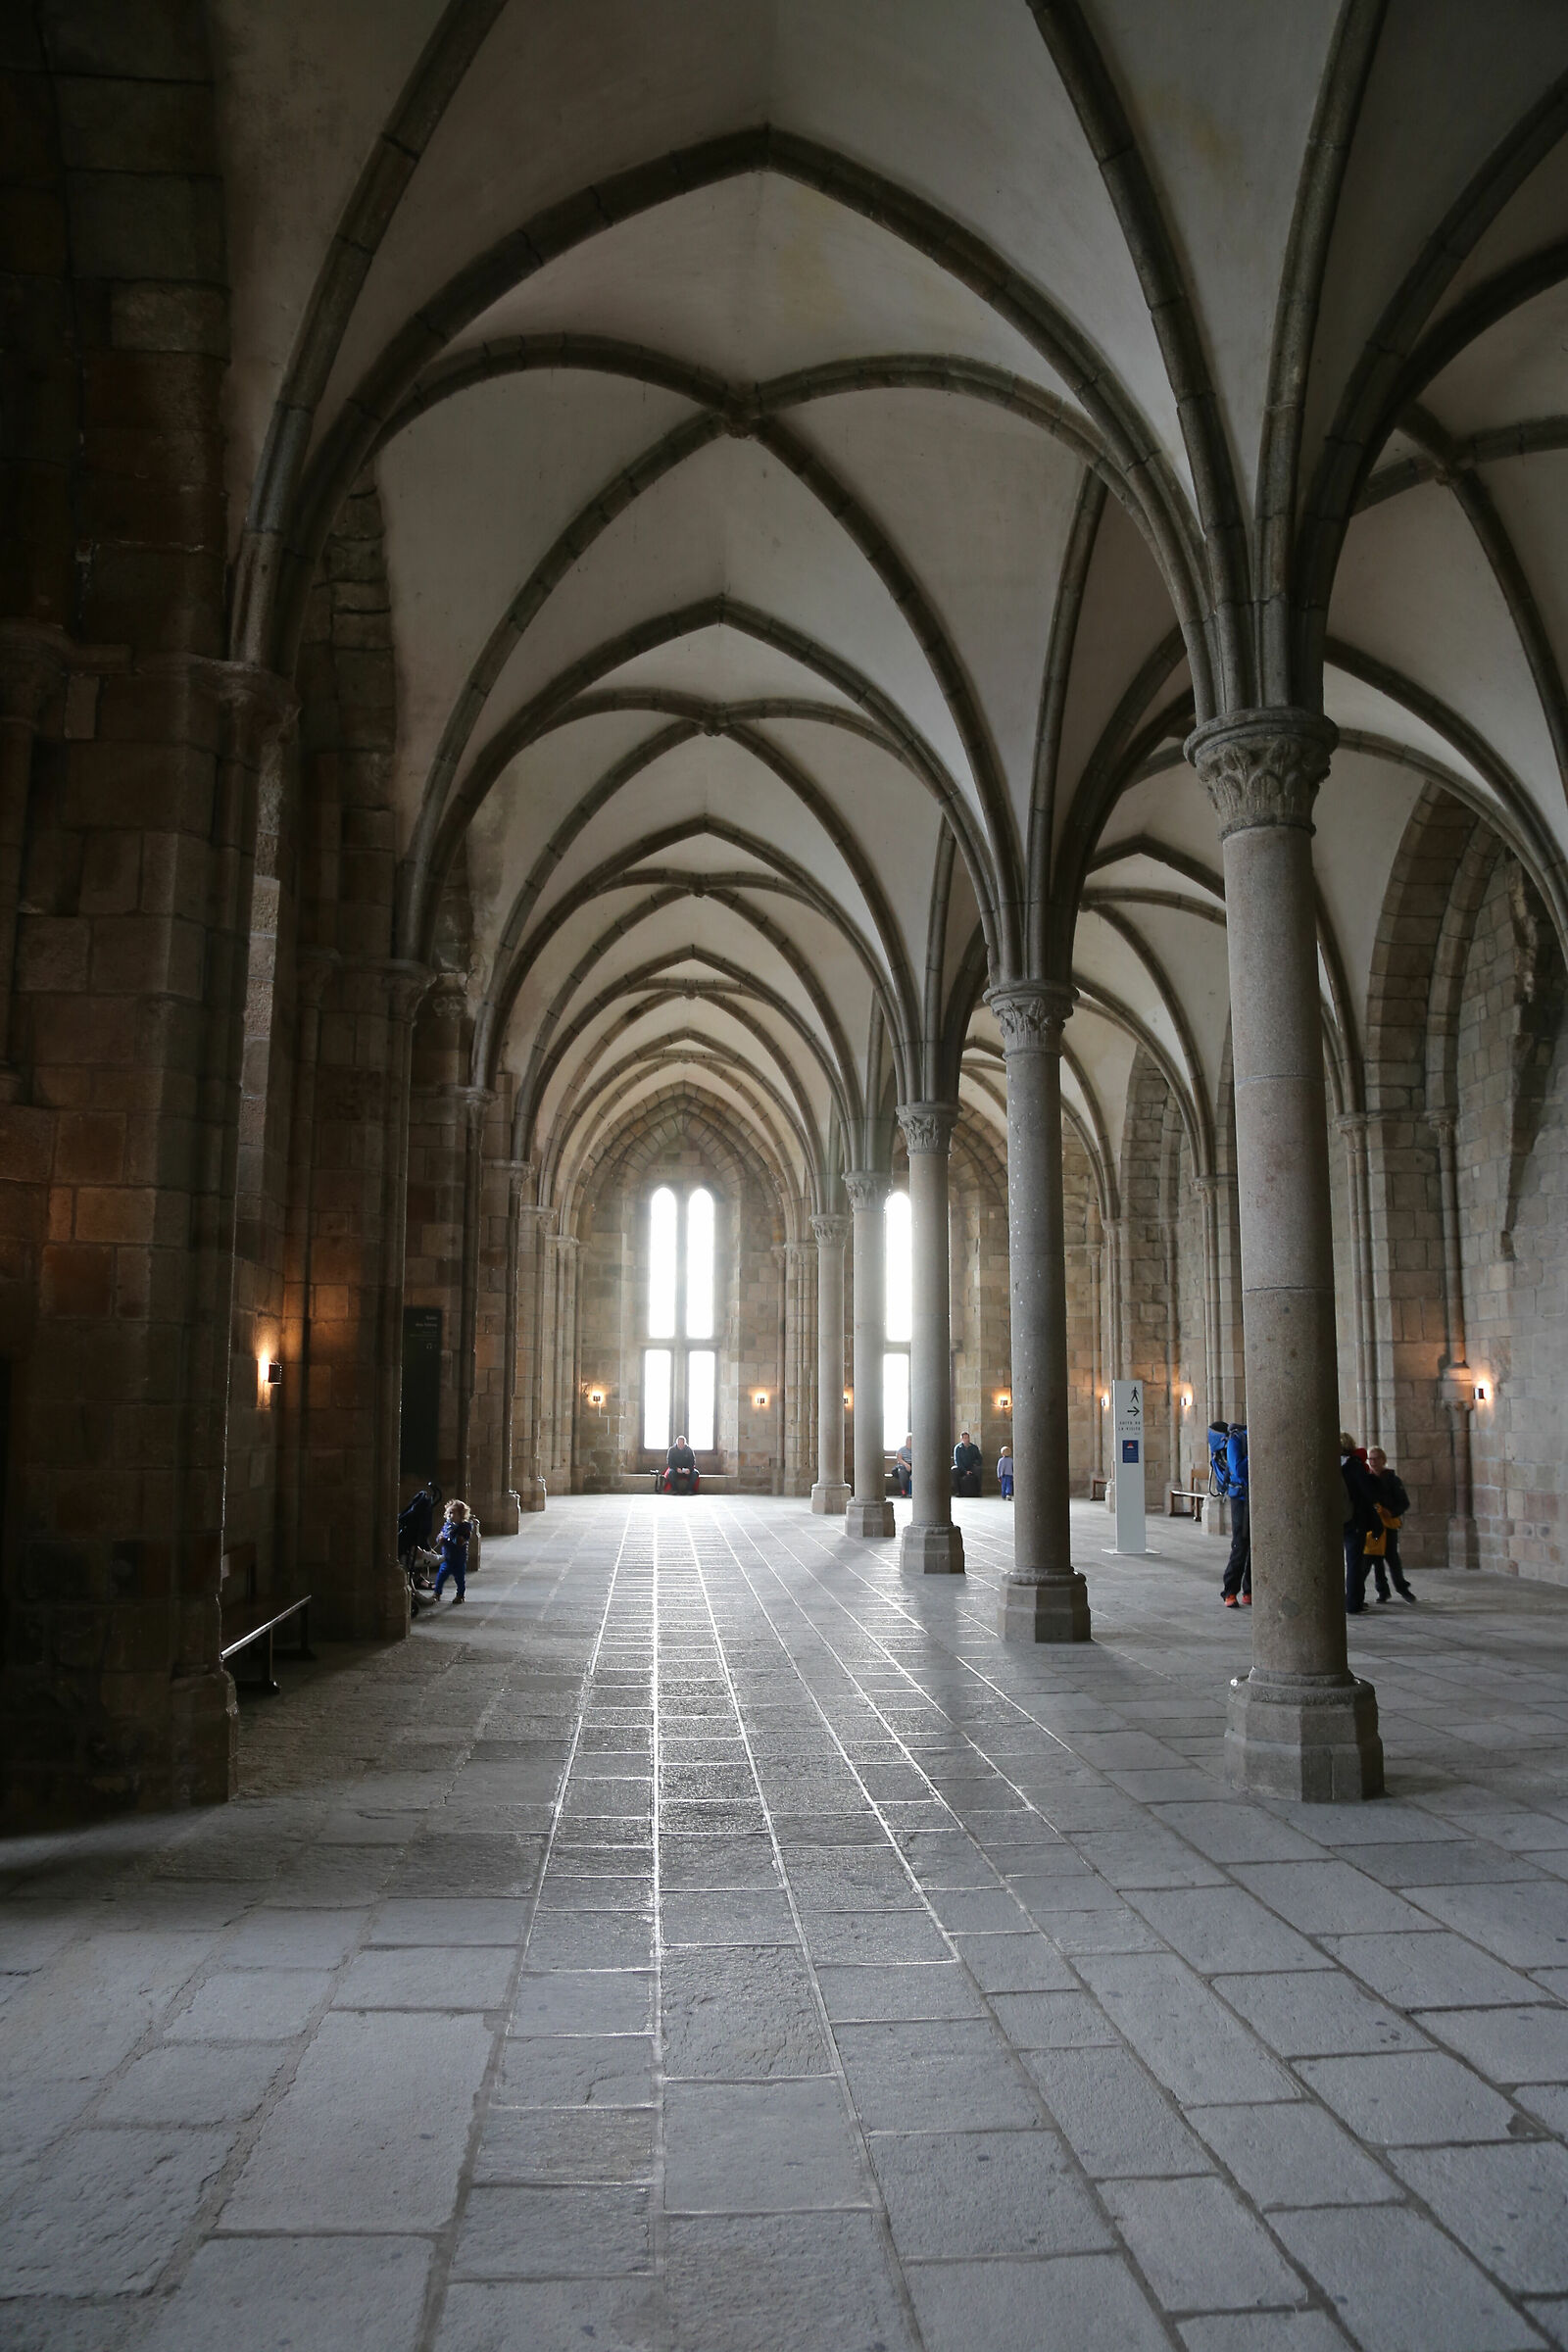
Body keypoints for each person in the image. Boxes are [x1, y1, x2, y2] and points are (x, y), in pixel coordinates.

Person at [1367, 1446, 1416, 1603]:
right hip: (1372, 1525)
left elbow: (1404, 1503)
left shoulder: (1393, 1480)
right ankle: (1382, 1590)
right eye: (1370, 1459)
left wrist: (1392, 1512)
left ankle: (1402, 1589)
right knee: (1376, 1559)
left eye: (1376, 1458)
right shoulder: (1366, 1479)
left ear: (1383, 1460)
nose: (1373, 1462)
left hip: (1389, 1525)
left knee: (1392, 1558)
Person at [1340, 1434, 1382, 1614]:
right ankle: (1353, 1603)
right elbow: (1369, 1492)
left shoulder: (1328, 1464)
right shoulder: (1354, 1466)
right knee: (1354, 1563)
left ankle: (1341, 1600)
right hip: (1354, 1519)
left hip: (1334, 1519)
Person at [432, 1498, 472, 1604]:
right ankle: (437, 1593)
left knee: (459, 1579)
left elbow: (461, 1541)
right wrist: (440, 1539)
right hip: (447, 1558)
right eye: (448, 1513)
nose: (450, 1516)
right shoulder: (447, 1526)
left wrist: (454, 1535)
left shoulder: (464, 1527)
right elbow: (440, 1535)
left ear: (461, 1515)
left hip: (459, 1559)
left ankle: (460, 1595)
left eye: (453, 1513)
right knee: (441, 1576)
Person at [952, 1430, 981, 1497]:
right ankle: (957, 1492)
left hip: (971, 1467)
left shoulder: (974, 1447)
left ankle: (978, 1491)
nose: (967, 1439)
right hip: (961, 1468)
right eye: (965, 1438)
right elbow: (957, 1461)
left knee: (978, 1470)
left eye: (968, 1438)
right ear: (962, 1439)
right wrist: (965, 1471)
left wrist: (976, 1463)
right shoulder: (958, 1448)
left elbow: (979, 1458)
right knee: (954, 1470)